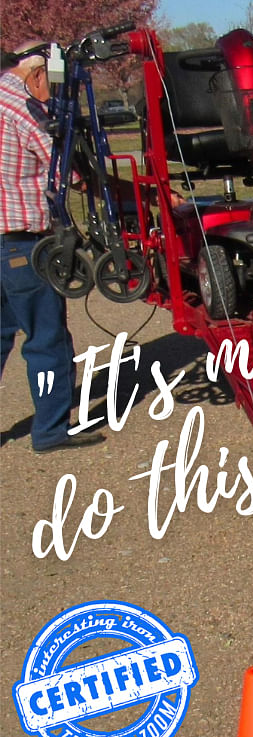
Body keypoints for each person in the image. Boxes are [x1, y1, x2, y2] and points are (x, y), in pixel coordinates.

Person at [0, 41, 102, 453]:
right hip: (24, 243)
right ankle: (50, 430)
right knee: (46, 338)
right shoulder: (25, 112)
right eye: (51, 84)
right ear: (37, 74)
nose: (52, 95)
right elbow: (69, 175)